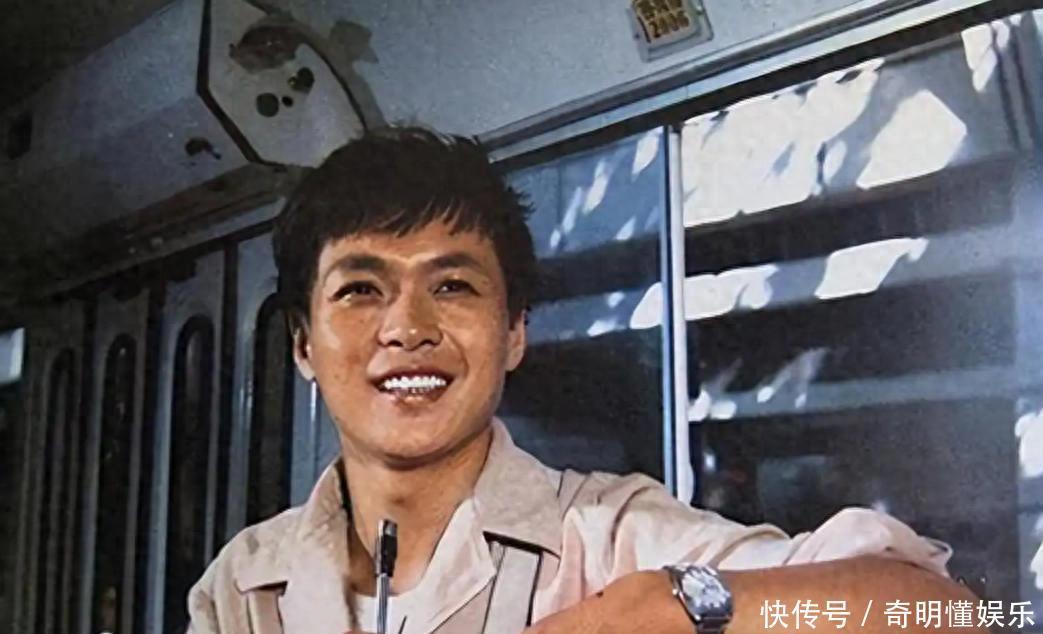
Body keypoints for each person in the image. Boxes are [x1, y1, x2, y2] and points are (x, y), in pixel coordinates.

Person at [186, 127, 983, 634]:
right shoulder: (243, 584)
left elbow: (937, 614)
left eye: (452, 285)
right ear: (302, 344)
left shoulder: (612, 536)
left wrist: (678, 604)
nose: (406, 327)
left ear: (514, 332)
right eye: (361, 289)